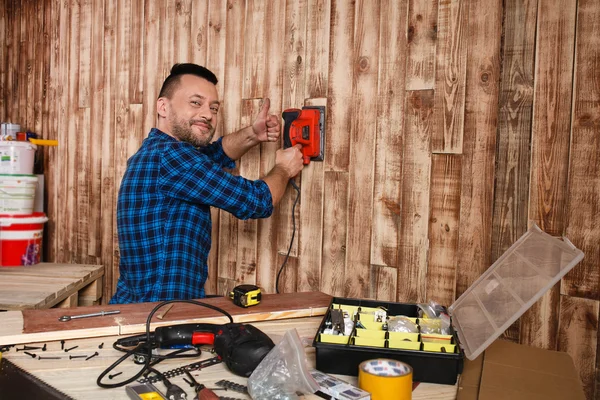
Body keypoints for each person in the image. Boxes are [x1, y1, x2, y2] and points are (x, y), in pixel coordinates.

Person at [110, 63, 304, 304]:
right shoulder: (173, 157)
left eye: (213, 107)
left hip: (142, 311)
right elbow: (257, 200)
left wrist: (253, 134)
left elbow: (214, 154)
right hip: (157, 320)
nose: (207, 114)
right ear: (163, 106)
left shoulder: (159, 153)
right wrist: (285, 168)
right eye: (195, 102)